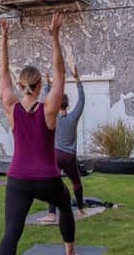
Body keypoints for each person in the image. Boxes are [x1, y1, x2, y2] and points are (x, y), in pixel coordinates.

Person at [0, 13, 76, 255]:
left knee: (12, 232)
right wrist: (54, 36)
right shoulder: (49, 109)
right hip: (47, 180)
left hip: (17, 179)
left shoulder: (12, 108)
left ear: (21, 86)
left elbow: (3, 76)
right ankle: (69, 250)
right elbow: (60, 72)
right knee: (65, 206)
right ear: (41, 85)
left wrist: (4, 40)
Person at [37, 66, 86, 223]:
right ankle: (80, 209)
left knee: (53, 183)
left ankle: (51, 214)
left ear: (57, 104)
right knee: (76, 182)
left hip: (55, 155)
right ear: (67, 105)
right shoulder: (73, 118)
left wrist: (48, 84)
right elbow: (82, 100)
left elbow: (45, 99)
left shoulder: (52, 117)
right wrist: (77, 79)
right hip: (70, 157)